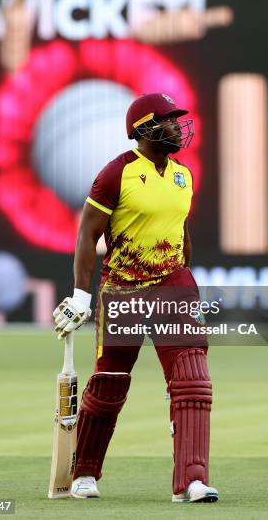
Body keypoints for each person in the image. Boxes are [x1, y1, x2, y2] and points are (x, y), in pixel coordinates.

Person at [53, 92, 218, 503]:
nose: (177, 127)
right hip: (123, 286)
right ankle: (85, 473)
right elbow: (88, 235)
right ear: (144, 129)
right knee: (109, 384)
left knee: (192, 380)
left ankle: (192, 481)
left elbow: (181, 232)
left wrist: (187, 282)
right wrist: (80, 294)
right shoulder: (116, 173)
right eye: (167, 121)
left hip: (172, 283)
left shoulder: (183, 175)